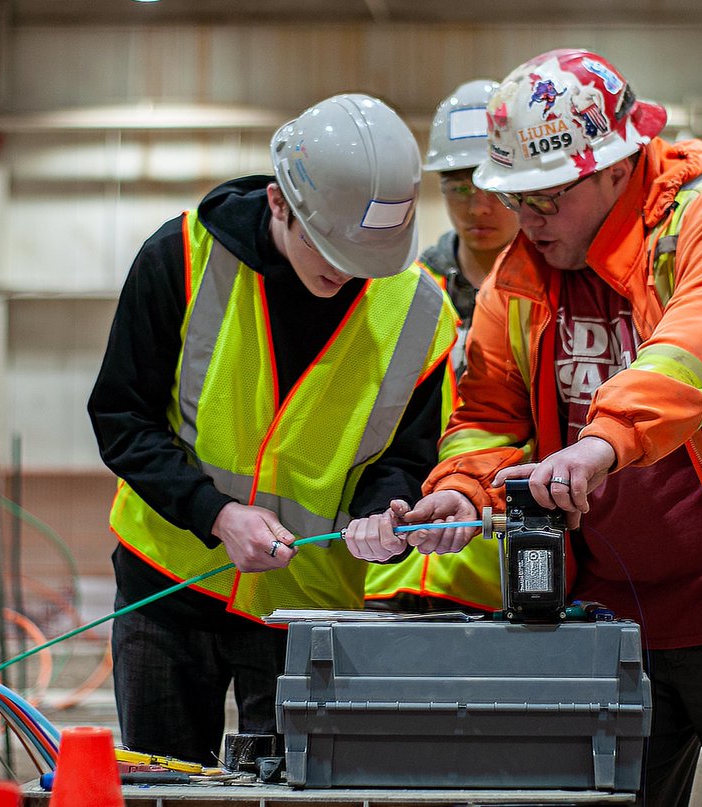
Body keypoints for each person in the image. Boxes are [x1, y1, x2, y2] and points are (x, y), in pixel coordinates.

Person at [386, 49, 702, 806]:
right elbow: (485, 414)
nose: (526, 222)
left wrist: (598, 442)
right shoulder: (518, 279)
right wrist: (461, 489)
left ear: (618, 166)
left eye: (546, 199)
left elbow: (686, 361)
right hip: (604, 625)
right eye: (517, 200)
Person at [87, 93, 457, 766]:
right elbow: (121, 417)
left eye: (366, 258)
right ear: (280, 202)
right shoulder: (181, 258)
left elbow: (406, 455)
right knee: (166, 782)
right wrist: (215, 513)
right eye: (330, 250)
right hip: (168, 585)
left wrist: (384, 511)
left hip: (309, 605)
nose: (345, 273)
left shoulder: (422, 312)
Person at [364, 79, 519, 614]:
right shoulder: (407, 295)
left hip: (500, 568)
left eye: (491, 186)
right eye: (458, 186)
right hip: (396, 567)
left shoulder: (549, 299)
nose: (477, 207)